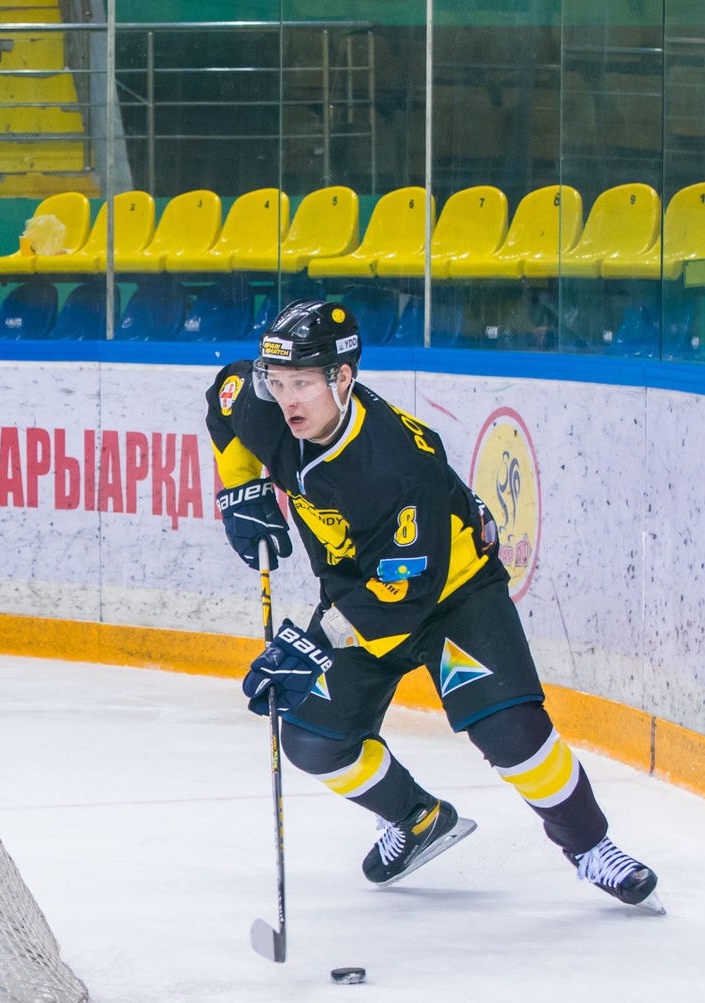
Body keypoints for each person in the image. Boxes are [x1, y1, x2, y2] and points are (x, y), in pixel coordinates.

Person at [209, 298, 661, 910]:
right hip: (362, 593)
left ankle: (591, 847)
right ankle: (416, 819)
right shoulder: (265, 405)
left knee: (514, 736)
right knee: (314, 740)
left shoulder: (397, 466)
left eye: (304, 384)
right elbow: (224, 395)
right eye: (280, 382)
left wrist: (315, 643)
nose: (288, 400)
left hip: (451, 596)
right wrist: (240, 489)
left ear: (343, 378)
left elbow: (404, 594)